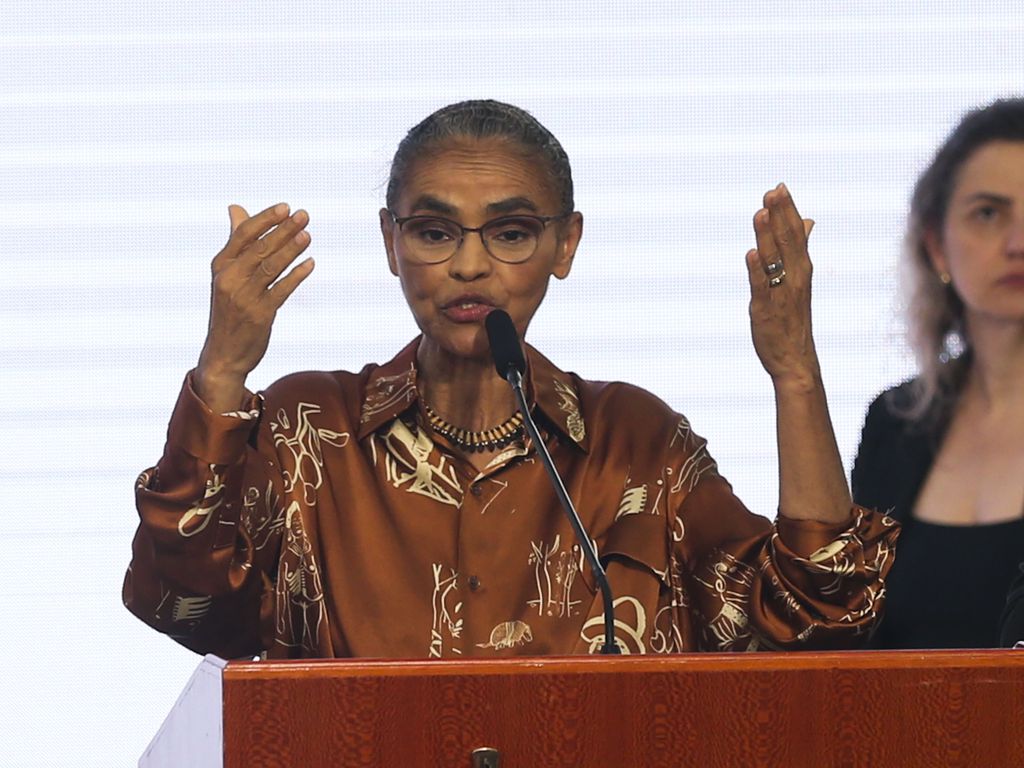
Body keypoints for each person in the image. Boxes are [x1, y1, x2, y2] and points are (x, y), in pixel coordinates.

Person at [124, 100, 897, 659]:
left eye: (511, 233)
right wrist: (223, 368)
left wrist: (796, 375)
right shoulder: (309, 429)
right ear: (391, 243)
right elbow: (183, 603)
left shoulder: (638, 444)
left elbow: (816, 615)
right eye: (433, 232)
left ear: (566, 245)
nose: (468, 265)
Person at [851, 97, 1024, 649]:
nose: (1019, 243)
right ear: (936, 246)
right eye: (988, 213)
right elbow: (849, 631)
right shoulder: (894, 424)